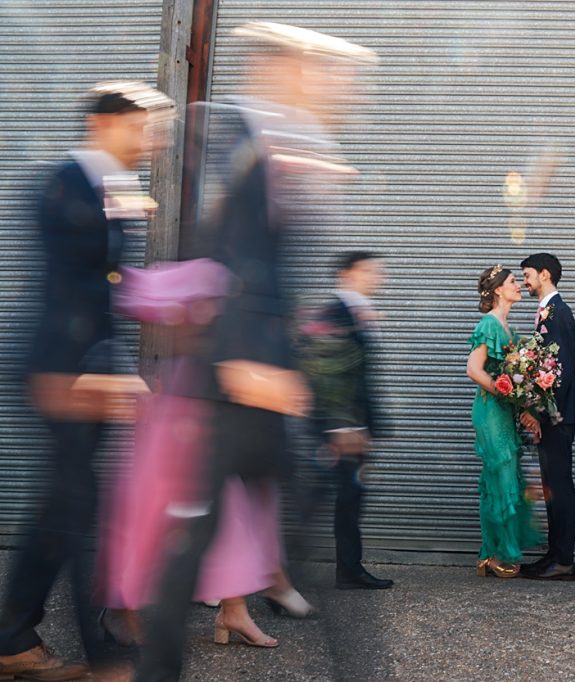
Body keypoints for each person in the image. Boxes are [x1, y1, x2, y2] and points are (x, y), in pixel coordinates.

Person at [135, 23, 376, 681]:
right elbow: (232, 254)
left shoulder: (292, 141)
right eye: (328, 73)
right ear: (286, 69)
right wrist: (242, 359)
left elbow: (271, 266)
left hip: (258, 368)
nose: (341, 88)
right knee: (211, 529)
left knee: (260, 515)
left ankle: (244, 603)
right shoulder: (235, 132)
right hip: (237, 373)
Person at [0, 82, 172, 681]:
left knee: (62, 509)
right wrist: (77, 376)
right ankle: (104, 660)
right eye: (140, 128)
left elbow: (104, 285)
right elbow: (65, 292)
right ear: (103, 124)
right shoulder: (66, 184)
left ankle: (14, 638)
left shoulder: (105, 186)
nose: (150, 141)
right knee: (76, 508)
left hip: (82, 365)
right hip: (61, 370)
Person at [96, 259, 314, 652]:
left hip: (218, 414)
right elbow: (136, 291)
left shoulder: (242, 278)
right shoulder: (214, 273)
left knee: (232, 518)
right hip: (186, 412)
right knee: (153, 520)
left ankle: (234, 611)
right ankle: (121, 607)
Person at [298, 251, 393, 590]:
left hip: (353, 428)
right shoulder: (335, 313)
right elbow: (325, 372)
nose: (377, 277)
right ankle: (283, 577)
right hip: (338, 430)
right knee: (320, 500)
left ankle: (348, 570)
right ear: (346, 274)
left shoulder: (359, 313)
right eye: (369, 271)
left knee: (348, 498)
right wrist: (340, 427)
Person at [466, 265, 540, 578]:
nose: (519, 285)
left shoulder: (509, 329)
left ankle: (490, 554)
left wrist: (523, 403)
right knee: (501, 479)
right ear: (498, 289)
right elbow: (473, 369)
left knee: (504, 479)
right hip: (491, 412)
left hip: (504, 411)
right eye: (512, 282)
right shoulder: (489, 324)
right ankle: (495, 555)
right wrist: (505, 391)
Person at [519, 253, 575, 581]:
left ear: (544, 274)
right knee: (551, 488)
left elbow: (559, 373)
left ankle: (564, 561)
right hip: (551, 417)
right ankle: (554, 556)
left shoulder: (557, 313)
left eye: (527, 275)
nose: (524, 282)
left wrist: (539, 414)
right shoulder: (548, 312)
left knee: (559, 487)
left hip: (555, 418)